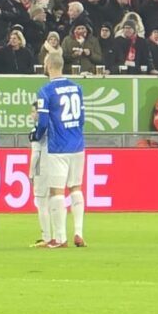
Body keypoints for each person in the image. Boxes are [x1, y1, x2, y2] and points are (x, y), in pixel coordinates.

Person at [34, 52, 87, 249]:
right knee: (76, 188)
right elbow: (82, 118)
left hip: (58, 147)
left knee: (56, 191)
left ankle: (60, 238)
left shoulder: (46, 91)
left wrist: (37, 136)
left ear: (48, 65)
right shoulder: (77, 88)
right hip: (77, 144)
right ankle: (79, 233)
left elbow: (42, 122)